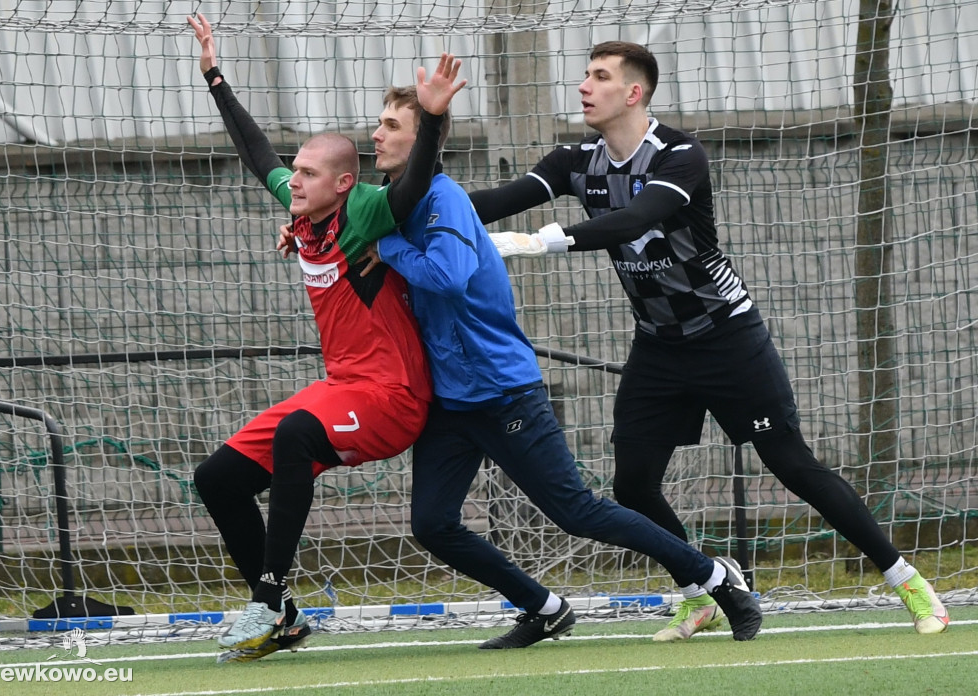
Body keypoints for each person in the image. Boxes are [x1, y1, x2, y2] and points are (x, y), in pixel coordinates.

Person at [474, 41, 950, 640]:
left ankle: (907, 581)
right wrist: (410, 209)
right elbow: (495, 202)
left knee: (792, 465)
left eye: (599, 77)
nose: (584, 87)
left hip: (727, 336)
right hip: (658, 346)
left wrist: (535, 243)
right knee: (632, 485)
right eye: (585, 75)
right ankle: (698, 588)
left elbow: (633, 221)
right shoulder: (575, 160)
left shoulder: (680, 155)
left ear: (634, 92)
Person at [356, 83, 763, 649]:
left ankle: (717, 580)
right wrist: (304, 232)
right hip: (451, 398)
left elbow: (446, 275)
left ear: (422, 137)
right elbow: (339, 227)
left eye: (391, 126)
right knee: (432, 523)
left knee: (579, 513)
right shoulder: (388, 203)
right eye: (377, 124)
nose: (376, 134)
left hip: (502, 391)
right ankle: (543, 608)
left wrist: (392, 250)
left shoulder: (444, 198)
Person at [185, 13, 465, 662]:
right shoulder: (303, 206)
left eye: (309, 173)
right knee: (217, 478)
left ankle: (270, 596)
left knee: (294, 434)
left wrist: (433, 124)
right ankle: (282, 617)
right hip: (343, 389)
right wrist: (214, 75)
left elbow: (416, 184)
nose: (293, 179)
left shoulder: (364, 210)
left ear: (344, 184)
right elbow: (259, 156)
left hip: (393, 398)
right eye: (297, 170)